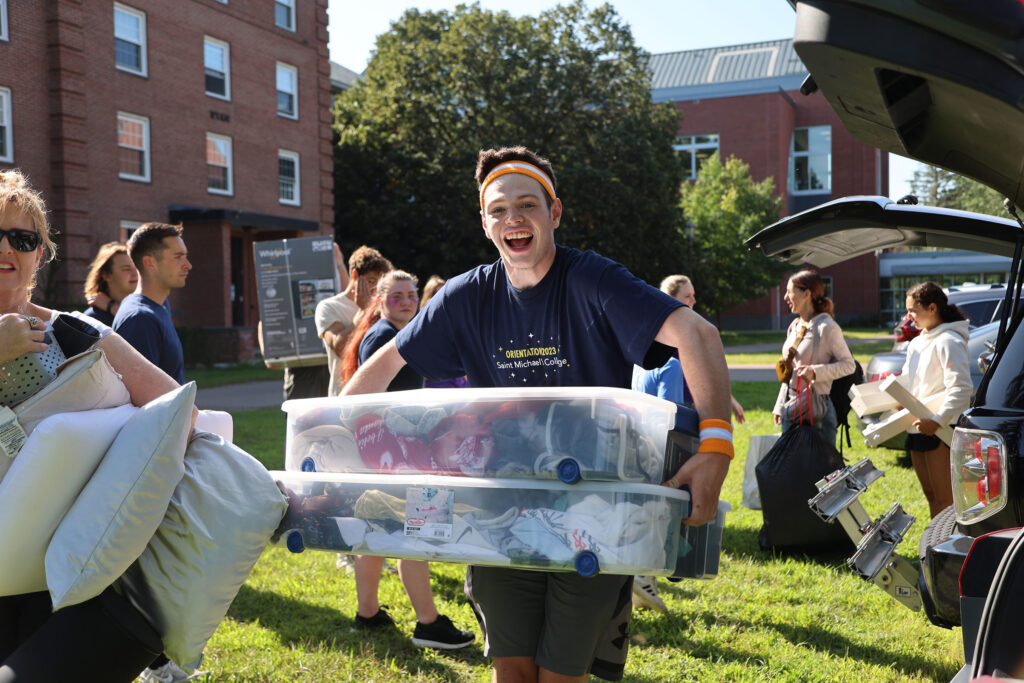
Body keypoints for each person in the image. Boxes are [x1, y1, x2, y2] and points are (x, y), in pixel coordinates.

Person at [342, 146, 733, 682]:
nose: (513, 219)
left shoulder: (592, 280)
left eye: (527, 205)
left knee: (561, 674)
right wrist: (335, 444)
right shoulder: (464, 297)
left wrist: (716, 446)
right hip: (499, 511)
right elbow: (381, 366)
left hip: (593, 510)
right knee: (513, 672)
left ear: (555, 213)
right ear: (484, 223)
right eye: (498, 210)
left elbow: (697, 332)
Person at [0, 169, 185, 682]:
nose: (7, 248)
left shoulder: (76, 331)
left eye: (22, 237)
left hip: (66, 563)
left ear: (41, 253)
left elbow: (176, 407)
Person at [338, 269, 475, 650]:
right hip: (400, 452)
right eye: (396, 296)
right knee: (417, 532)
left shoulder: (390, 335)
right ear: (379, 300)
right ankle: (428, 624)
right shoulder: (386, 337)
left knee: (378, 530)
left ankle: (367, 614)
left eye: (411, 295)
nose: (406, 302)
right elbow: (379, 403)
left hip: (382, 451)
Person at [629, 274, 744, 614]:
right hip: (662, 447)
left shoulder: (642, 350)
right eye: (689, 297)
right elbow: (672, 412)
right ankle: (643, 575)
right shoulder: (674, 359)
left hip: (636, 444)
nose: (694, 303)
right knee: (665, 512)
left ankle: (638, 577)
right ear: (673, 301)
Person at [901, 281, 972, 519]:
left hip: (940, 430)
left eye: (913, 310)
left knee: (946, 500)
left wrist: (939, 420)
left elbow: (961, 389)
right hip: (918, 427)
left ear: (932, 308)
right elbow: (910, 381)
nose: (909, 317)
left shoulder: (949, 341)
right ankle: (935, 548)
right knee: (931, 496)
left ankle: (948, 550)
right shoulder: (918, 342)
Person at [772, 269, 855, 447]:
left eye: (789, 291)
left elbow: (849, 365)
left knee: (821, 472)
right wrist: (780, 405)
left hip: (818, 410)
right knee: (792, 469)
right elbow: (789, 370)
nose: (786, 297)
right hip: (791, 407)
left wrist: (815, 372)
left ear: (807, 294)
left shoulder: (827, 327)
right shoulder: (794, 326)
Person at [112, 223, 191, 385]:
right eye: (178, 257)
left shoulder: (160, 306)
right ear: (150, 263)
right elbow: (142, 399)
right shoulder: (140, 319)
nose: (188, 265)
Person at [314, 245, 392, 398]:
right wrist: (364, 312)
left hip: (377, 395)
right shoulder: (329, 306)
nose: (376, 288)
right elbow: (339, 347)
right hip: (343, 396)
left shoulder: (382, 305)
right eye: (371, 280)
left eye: (380, 283)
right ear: (355, 275)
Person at [82, 242, 138, 326]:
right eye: (126, 269)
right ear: (106, 275)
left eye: (137, 267)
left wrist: (112, 307)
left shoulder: (150, 307)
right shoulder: (92, 319)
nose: (135, 273)